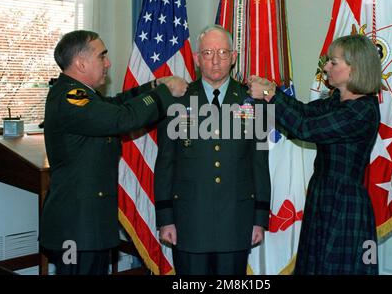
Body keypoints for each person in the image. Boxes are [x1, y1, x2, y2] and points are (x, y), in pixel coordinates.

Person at [39, 30, 188, 275]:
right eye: (102, 56)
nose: (108, 63)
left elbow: (117, 104)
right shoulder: (69, 97)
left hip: (90, 226)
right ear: (81, 62)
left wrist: (153, 86)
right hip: (75, 228)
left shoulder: (84, 95)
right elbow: (121, 118)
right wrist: (164, 93)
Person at [248, 34, 382, 275]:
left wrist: (270, 95)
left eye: (333, 62)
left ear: (355, 68)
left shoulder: (363, 110)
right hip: (323, 196)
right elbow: (302, 112)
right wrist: (271, 89)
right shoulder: (337, 102)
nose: (326, 67)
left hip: (345, 203)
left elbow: (305, 128)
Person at [154, 25, 271, 275]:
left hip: (236, 221)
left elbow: (259, 163)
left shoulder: (253, 101)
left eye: (223, 53)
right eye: (207, 53)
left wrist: (259, 219)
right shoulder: (178, 100)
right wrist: (165, 218)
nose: (215, 60)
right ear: (197, 59)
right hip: (189, 222)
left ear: (234, 57)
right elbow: (166, 163)